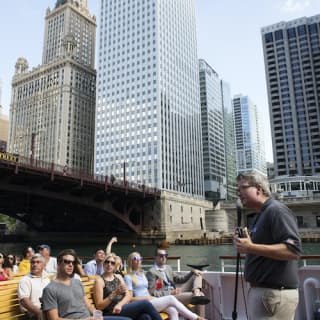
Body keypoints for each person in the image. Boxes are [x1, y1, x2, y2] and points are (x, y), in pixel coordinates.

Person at [234, 172, 301, 320]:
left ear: (258, 189)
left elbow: (293, 250)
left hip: (273, 295)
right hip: (264, 294)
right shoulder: (260, 215)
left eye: (242, 188)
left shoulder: (276, 210)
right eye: (237, 190)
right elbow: (260, 249)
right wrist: (245, 244)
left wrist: (251, 247)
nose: (239, 194)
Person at [42, 249, 131, 320]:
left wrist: (96, 315)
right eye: (66, 262)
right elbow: (54, 318)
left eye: (73, 263)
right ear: (58, 264)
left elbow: (88, 305)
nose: (71, 265)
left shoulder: (77, 282)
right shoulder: (50, 289)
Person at [125, 252, 205, 320]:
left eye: (140, 258)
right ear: (131, 261)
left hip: (151, 300)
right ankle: (196, 318)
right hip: (143, 304)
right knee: (170, 298)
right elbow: (130, 298)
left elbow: (148, 291)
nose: (139, 260)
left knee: (173, 310)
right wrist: (146, 298)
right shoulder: (128, 277)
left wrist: (155, 286)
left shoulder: (142, 274)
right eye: (136, 258)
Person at [93, 253, 163, 320]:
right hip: (111, 312)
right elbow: (99, 306)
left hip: (122, 307)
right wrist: (114, 294)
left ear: (115, 266)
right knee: (145, 303)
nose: (109, 264)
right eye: (107, 262)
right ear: (103, 263)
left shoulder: (118, 277)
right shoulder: (99, 281)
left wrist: (120, 304)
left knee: (145, 317)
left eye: (112, 263)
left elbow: (128, 295)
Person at [146, 247, 209, 318]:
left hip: (177, 291)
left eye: (165, 255)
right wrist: (170, 292)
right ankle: (198, 302)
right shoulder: (151, 272)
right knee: (201, 295)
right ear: (155, 257)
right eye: (161, 256)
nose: (164, 258)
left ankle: (196, 292)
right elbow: (152, 293)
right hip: (169, 297)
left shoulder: (168, 268)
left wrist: (192, 271)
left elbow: (180, 279)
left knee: (197, 274)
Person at [18, 253, 50, 320]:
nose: (35, 264)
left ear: (44, 265)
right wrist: (38, 312)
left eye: (38, 262)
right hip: (31, 313)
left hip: (46, 310)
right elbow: (24, 300)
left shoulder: (46, 279)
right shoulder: (25, 280)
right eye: (33, 262)